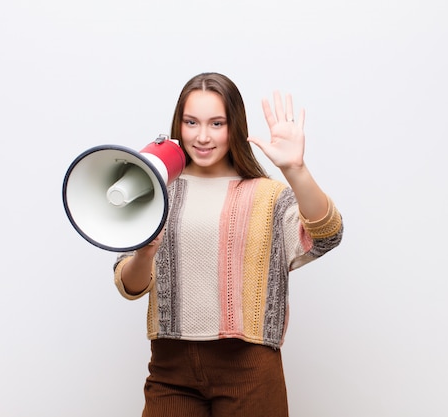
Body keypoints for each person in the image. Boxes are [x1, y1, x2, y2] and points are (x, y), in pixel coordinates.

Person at [113, 72, 343, 417]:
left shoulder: (267, 196)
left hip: (249, 369)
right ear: (179, 125)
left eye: (216, 123)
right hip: (170, 368)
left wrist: (295, 169)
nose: (202, 136)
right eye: (191, 122)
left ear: (233, 126)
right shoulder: (154, 191)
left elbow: (327, 235)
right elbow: (128, 286)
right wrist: (145, 254)